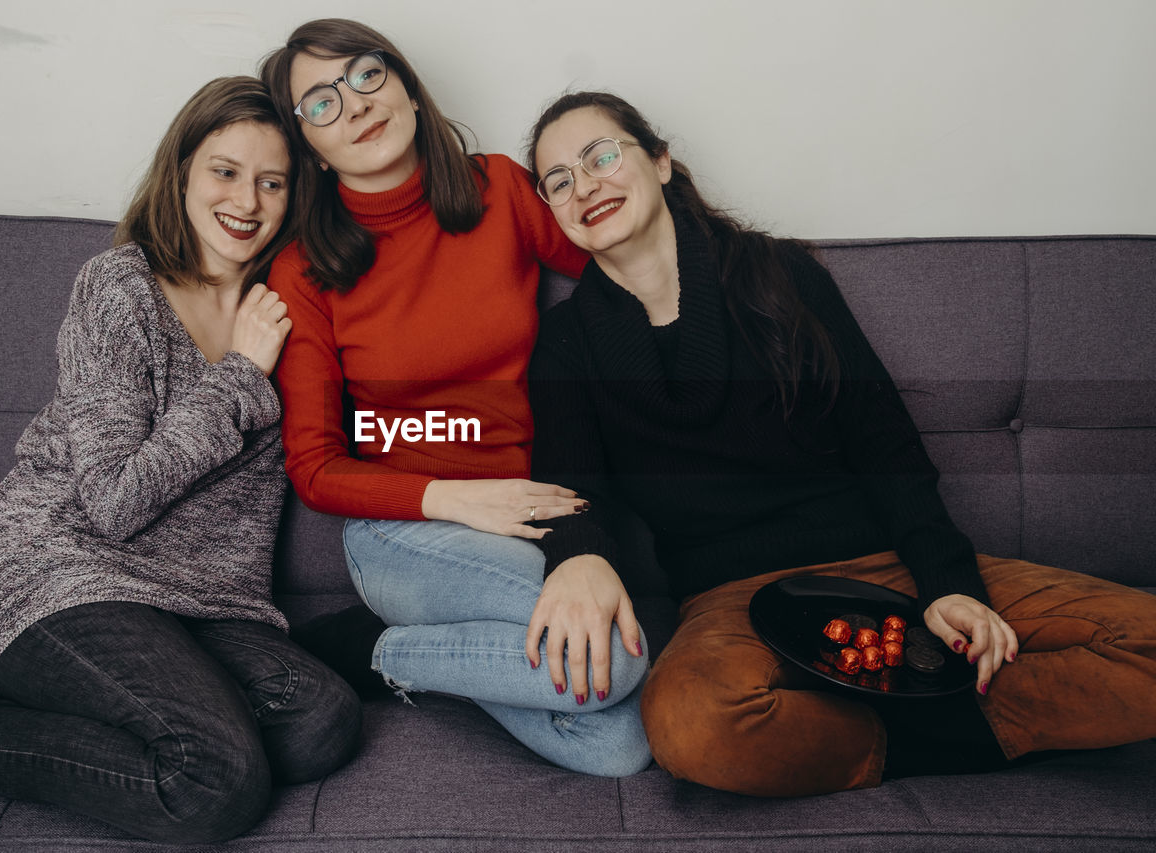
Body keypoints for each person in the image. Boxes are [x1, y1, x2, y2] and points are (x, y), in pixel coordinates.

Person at [525, 90, 1156, 796]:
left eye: (601, 156)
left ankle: (908, 711)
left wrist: (948, 585)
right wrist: (577, 555)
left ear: (662, 161)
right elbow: (568, 487)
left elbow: (885, 444)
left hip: (884, 568)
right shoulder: (567, 343)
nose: (584, 186)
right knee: (690, 723)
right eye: (558, 181)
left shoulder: (779, 276)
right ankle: (942, 714)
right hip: (730, 604)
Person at [0, 77, 361, 842]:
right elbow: (113, 499)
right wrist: (237, 377)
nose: (249, 200)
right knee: (216, 783)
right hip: (64, 572)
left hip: (201, 603)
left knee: (321, 720)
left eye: (273, 181)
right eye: (225, 171)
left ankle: (113, 708)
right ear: (182, 172)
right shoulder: (121, 287)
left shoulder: (287, 310)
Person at [258, 19, 651, 777]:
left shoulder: (500, 187)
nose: (355, 105)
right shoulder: (305, 267)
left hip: (535, 515)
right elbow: (313, 465)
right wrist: (458, 499)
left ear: (404, 82)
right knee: (622, 657)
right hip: (403, 531)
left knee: (622, 741)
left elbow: (622, 272)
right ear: (307, 143)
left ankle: (391, 655)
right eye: (321, 103)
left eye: (367, 75)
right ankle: (375, 643)